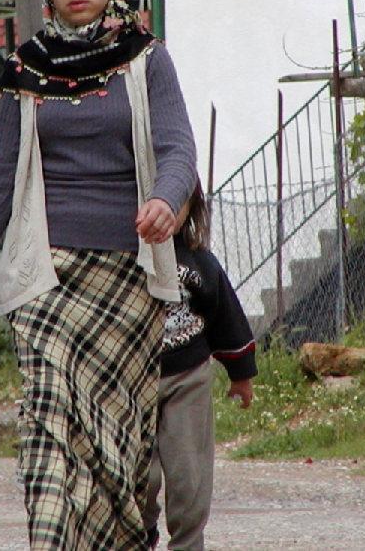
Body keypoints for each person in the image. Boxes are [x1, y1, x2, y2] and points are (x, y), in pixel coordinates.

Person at [0, 0, 197, 550]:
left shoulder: (146, 58)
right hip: (44, 281)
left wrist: (164, 198)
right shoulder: (27, 69)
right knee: (48, 428)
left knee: (114, 447)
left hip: (128, 282)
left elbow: (178, 147)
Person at [144, 181, 256, 551]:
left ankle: (188, 543)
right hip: (133, 380)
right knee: (138, 476)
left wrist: (241, 375)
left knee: (189, 474)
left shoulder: (199, 262)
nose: (167, 213)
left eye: (178, 205)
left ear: (192, 209)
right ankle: (138, 534)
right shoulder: (123, 260)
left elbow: (227, 317)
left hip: (187, 378)